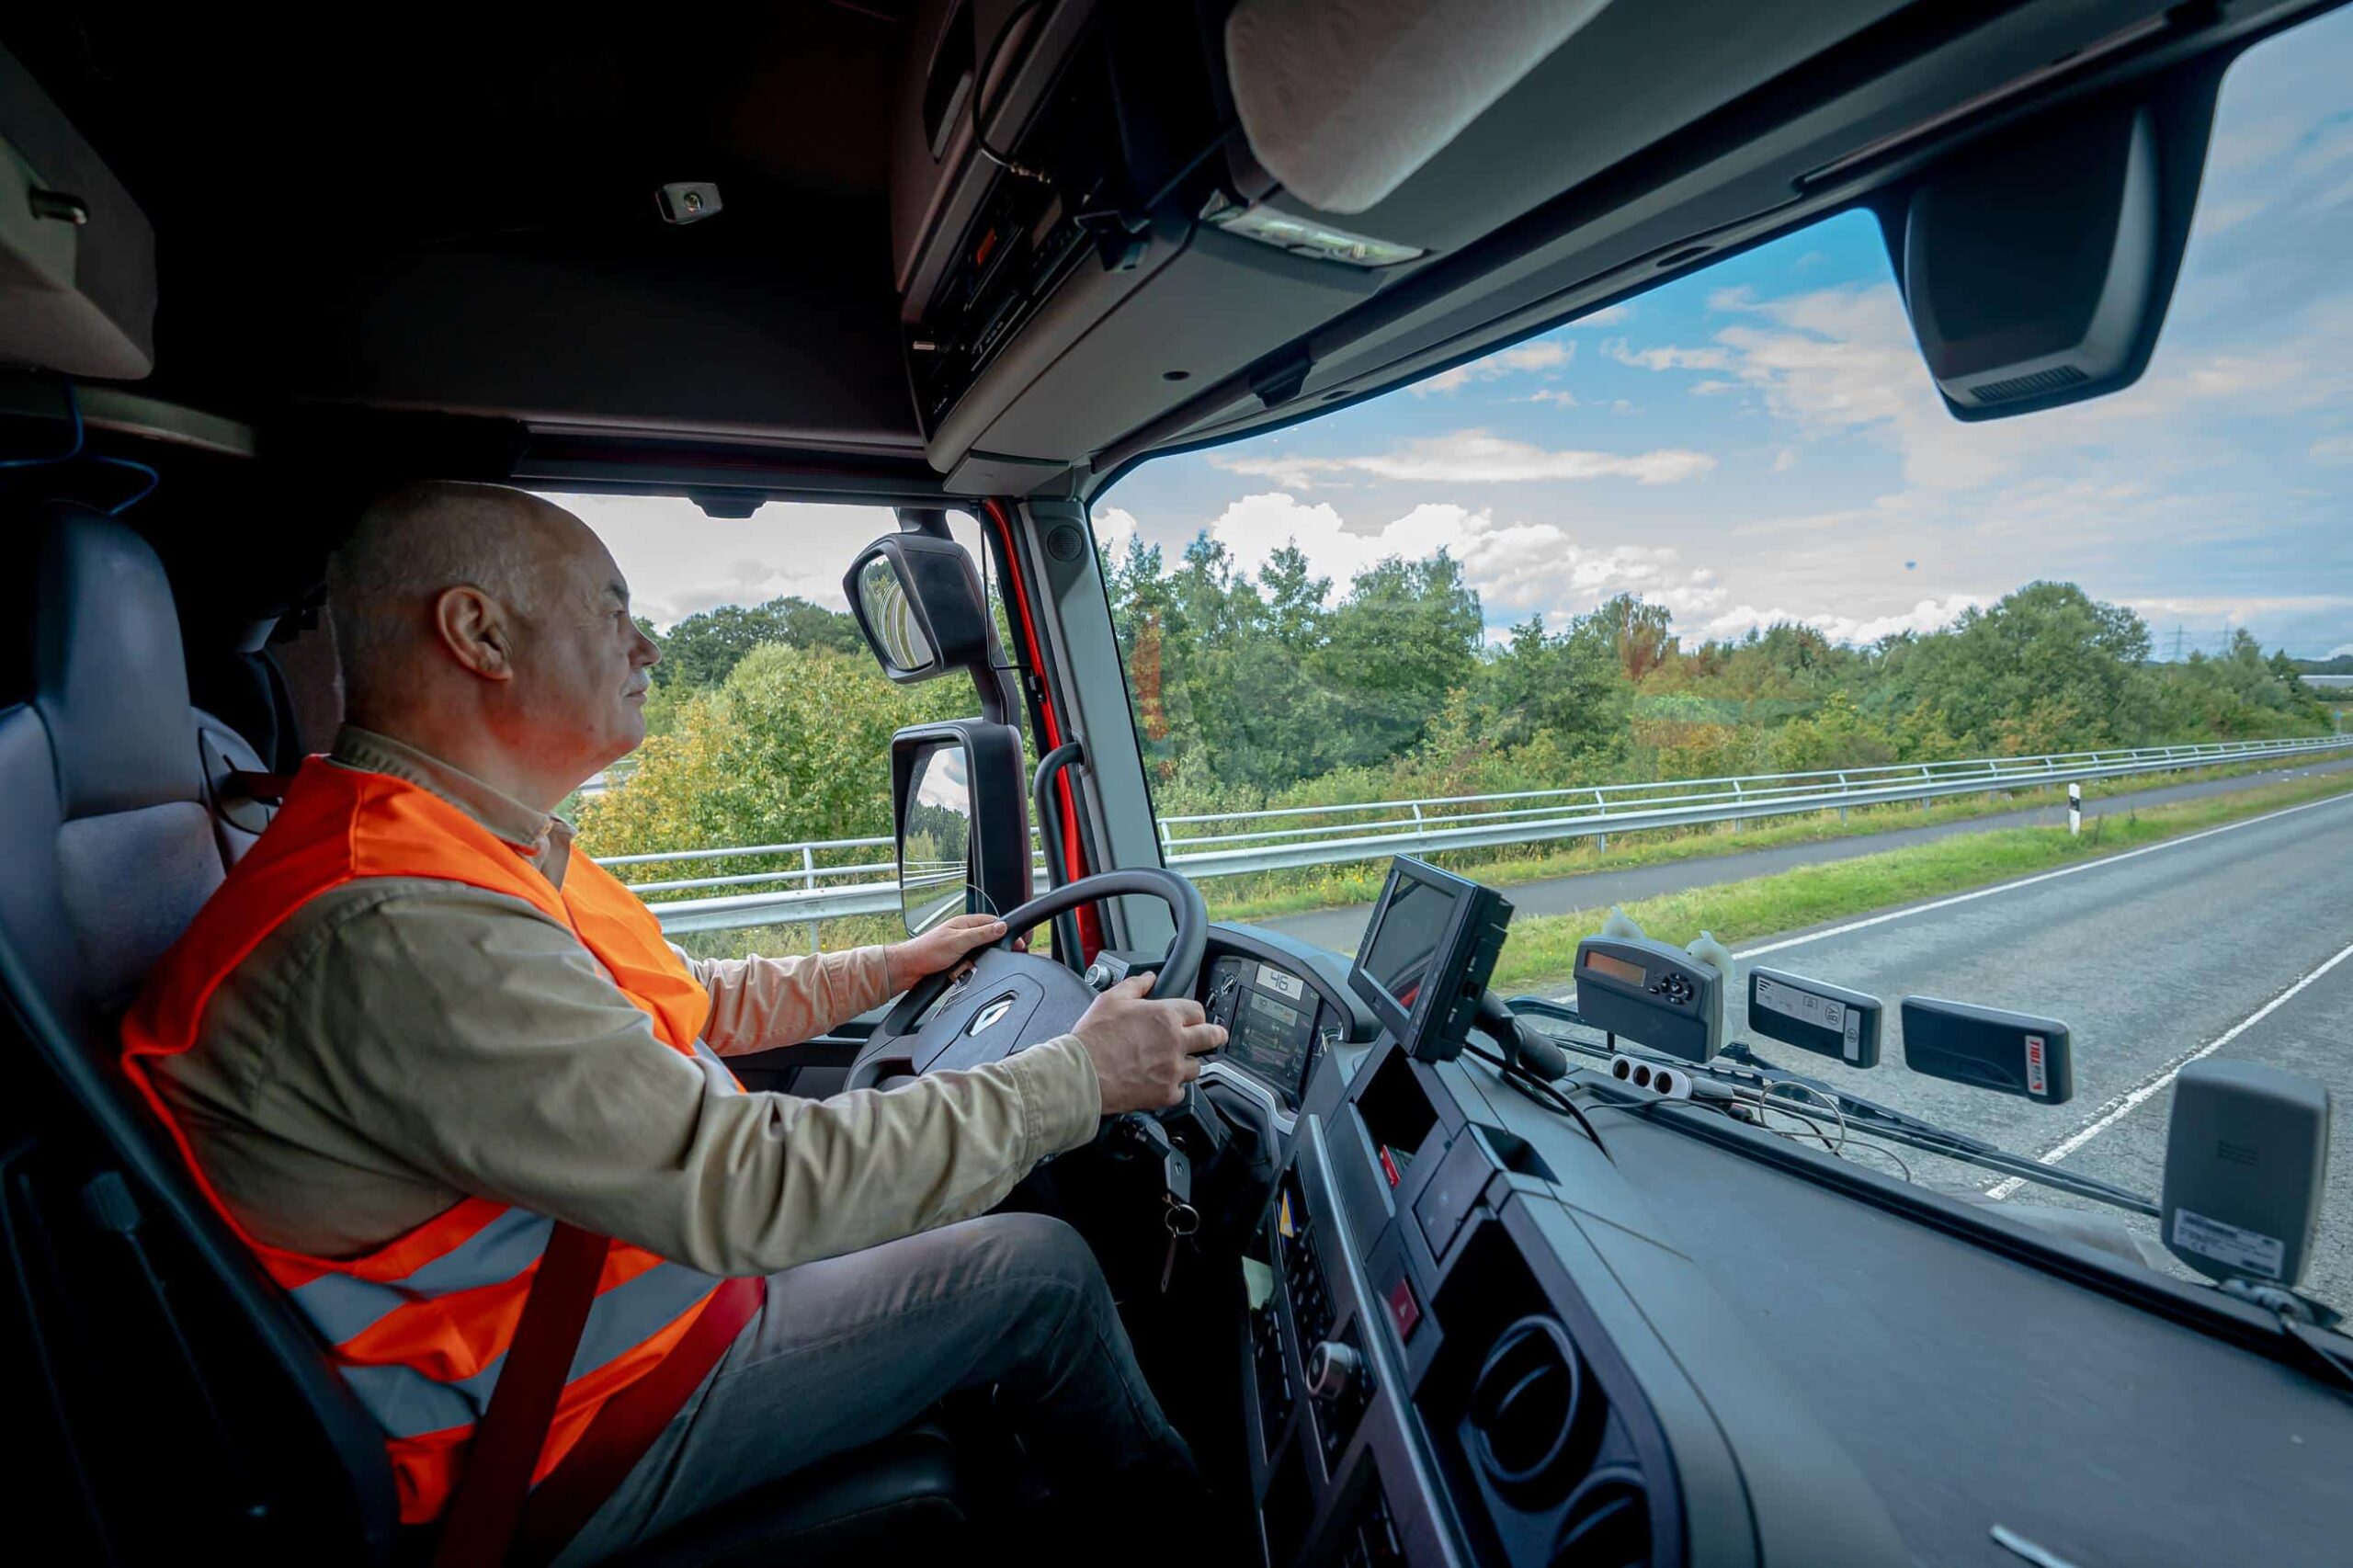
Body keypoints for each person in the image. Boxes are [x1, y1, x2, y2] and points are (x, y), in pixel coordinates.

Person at [119, 481, 1222, 1561]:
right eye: (613, 612)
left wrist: (891, 964)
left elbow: (680, 998)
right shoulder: (401, 923)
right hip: (558, 1428)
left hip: (621, 1316)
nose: (647, 646)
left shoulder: (447, 846)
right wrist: (1077, 1078)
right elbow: (748, 1185)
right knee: (1039, 1273)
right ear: (478, 633)